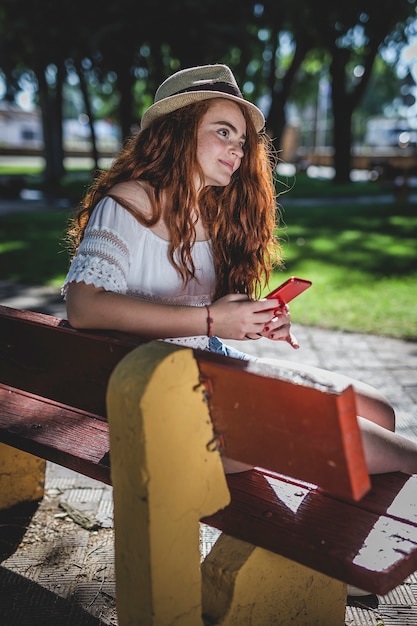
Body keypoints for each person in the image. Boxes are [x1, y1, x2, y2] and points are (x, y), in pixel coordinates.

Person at [62, 63, 417, 478]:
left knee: (376, 408)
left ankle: (335, 535)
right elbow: (84, 307)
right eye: (223, 131)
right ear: (178, 131)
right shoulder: (131, 201)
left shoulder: (208, 213)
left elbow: (198, 309)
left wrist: (251, 318)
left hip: (208, 367)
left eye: (242, 140)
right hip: (162, 395)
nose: (237, 149)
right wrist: (214, 319)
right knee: (385, 449)